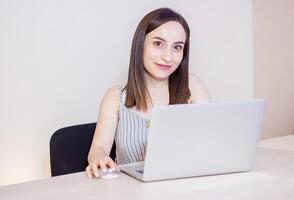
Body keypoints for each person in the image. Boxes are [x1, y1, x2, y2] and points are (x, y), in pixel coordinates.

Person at [86, 7, 211, 179]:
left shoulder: (192, 86)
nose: (168, 57)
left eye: (177, 47)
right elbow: (98, 148)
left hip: (182, 186)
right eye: (158, 43)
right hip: (128, 191)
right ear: (141, 45)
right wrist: (99, 158)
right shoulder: (115, 97)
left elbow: (212, 140)